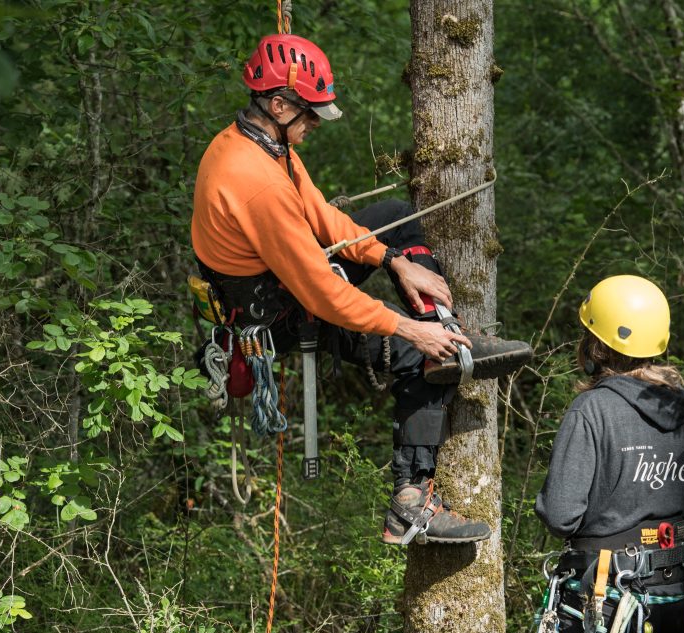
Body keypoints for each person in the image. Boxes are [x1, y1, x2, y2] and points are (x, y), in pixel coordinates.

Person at [191, 34, 532, 545]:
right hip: (281, 313)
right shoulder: (254, 181)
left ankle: (447, 331)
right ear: (278, 104)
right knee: (416, 354)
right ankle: (410, 505)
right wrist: (408, 329)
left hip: (277, 291)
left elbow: (324, 216)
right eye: (308, 115)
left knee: (392, 220)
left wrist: (393, 260)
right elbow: (321, 294)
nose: (312, 126)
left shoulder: (262, 144)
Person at [534, 275, 684, 633]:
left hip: (603, 603)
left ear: (596, 345)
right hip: (678, 599)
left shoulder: (592, 411)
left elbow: (561, 515)